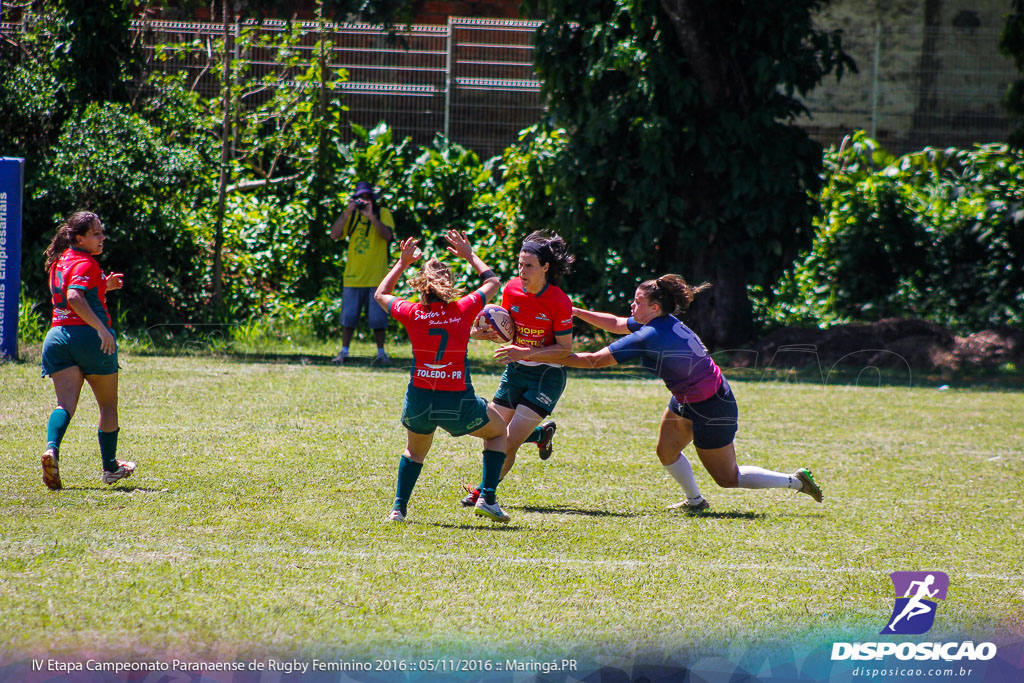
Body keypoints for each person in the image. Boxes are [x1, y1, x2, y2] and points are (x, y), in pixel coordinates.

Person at [508, 274, 822, 511]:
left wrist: (537, 353)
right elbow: (618, 323)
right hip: (688, 399)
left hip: (713, 407)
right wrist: (572, 311)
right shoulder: (661, 322)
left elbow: (591, 361)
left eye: (637, 302)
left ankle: (796, 480)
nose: (632, 306)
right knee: (666, 451)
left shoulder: (650, 336)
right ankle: (695, 502)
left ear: (654, 307)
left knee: (728, 477)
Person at [373, 229, 511, 523]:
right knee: (499, 433)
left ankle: (398, 509)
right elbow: (493, 282)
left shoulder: (411, 312)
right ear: (449, 285)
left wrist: (401, 263)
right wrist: (469, 254)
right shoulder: (463, 308)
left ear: (420, 287)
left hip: (420, 397)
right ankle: (487, 497)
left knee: (414, 452)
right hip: (457, 401)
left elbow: (380, 294)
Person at [461, 231, 574, 508]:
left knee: (508, 441)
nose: (522, 271)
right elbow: (509, 330)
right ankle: (540, 435)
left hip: (546, 376)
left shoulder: (559, 301)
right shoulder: (511, 289)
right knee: (493, 432)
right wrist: (486, 334)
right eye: (520, 264)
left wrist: (527, 352)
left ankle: (484, 492)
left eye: (529, 266)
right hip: (516, 370)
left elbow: (565, 349)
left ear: (545, 267)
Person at [39, 211, 136, 490]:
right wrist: (101, 330)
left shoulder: (60, 261)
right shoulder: (87, 262)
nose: (102, 237)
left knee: (65, 405)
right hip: (89, 339)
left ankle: (52, 450)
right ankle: (110, 468)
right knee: (107, 405)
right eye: (96, 233)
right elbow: (74, 296)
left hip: (57, 338)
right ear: (79, 238)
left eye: (101, 231)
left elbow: (74, 290)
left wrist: (106, 286)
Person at [330, 180, 395, 367]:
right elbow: (334, 235)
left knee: (378, 319)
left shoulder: (383, 214)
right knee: (348, 318)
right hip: (353, 277)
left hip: (377, 278)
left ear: (372, 199)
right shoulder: (351, 216)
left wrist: (371, 216)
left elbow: (388, 236)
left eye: (366, 198)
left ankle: (381, 353)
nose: (363, 201)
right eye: (360, 198)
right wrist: (348, 212)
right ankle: (344, 352)